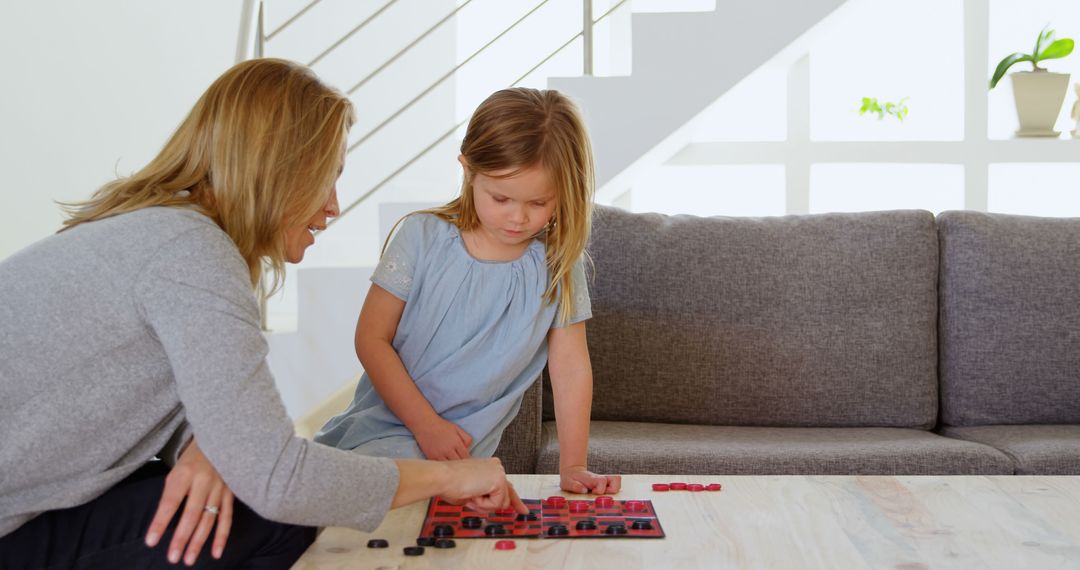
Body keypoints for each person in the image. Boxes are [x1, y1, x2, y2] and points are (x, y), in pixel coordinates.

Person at [0, 58, 525, 570]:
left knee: (228, 493)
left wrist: (211, 448)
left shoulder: (161, 231)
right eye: (327, 176)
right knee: (277, 517)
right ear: (278, 171)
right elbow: (280, 481)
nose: (334, 205)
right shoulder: (190, 253)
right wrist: (450, 477)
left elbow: (181, 405)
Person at [316, 87, 622, 496]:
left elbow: (570, 368)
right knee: (357, 496)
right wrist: (426, 426)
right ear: (468, 170)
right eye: (500, 198)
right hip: (389, 429)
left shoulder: (559, 265)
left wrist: (573, 465)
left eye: (538, 202)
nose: (517, 217)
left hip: (463, 453)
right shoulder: (421, 237)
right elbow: (371, 339)